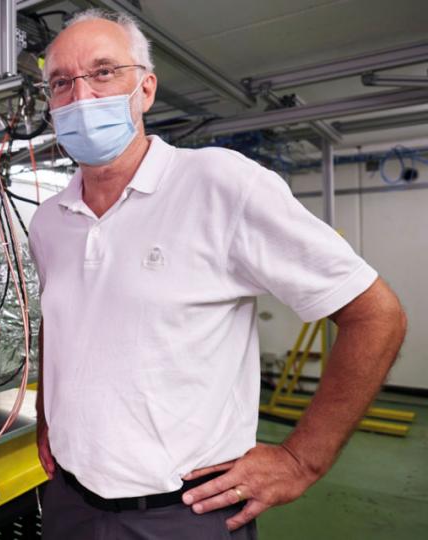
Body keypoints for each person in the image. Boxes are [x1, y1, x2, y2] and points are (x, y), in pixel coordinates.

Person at [28, 9, 407, 539]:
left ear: (146, 88)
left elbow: (375, 314)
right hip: (70, 503)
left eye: (104, 71)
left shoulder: (218, 184)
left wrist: (302, 460)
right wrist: (49, 421)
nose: (82, 97)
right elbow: (58, 322)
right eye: (61, 82)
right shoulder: (49, 221)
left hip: (185, 513)